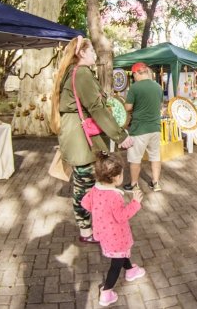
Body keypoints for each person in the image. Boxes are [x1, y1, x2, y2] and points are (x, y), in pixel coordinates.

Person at [51, 36, 134, 243]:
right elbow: (96, 108)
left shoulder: (74, 73)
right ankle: (87, 231)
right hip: (82, 139)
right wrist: (120, 135)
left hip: (77, 135)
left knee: (85, 184)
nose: (94, 55)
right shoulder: (82, 74)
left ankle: (90, 228)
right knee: (84, 187)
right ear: (81, 53)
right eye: (91, 51)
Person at [81, 153, 146, 306]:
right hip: (116, 235)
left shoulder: (95, 190)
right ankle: (106, 292)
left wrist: (99, 211)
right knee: (115, 265)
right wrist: (135, 203)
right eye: (123, 173)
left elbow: (85, 203)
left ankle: (130, 270)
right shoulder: (114, 196)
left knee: (121, 254)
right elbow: (121, 216)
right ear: (116, 177)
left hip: (104, 234)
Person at [123, 62, 164, 192]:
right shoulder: (158, 87)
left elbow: (128, 107)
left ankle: (134, 184)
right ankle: (156, 183)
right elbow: (159, 105)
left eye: (133, 75)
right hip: (155, 128)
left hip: (139, 129)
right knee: (155, 156)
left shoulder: (135, 88)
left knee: (135, 158)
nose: (133, 77)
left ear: (136, 73)